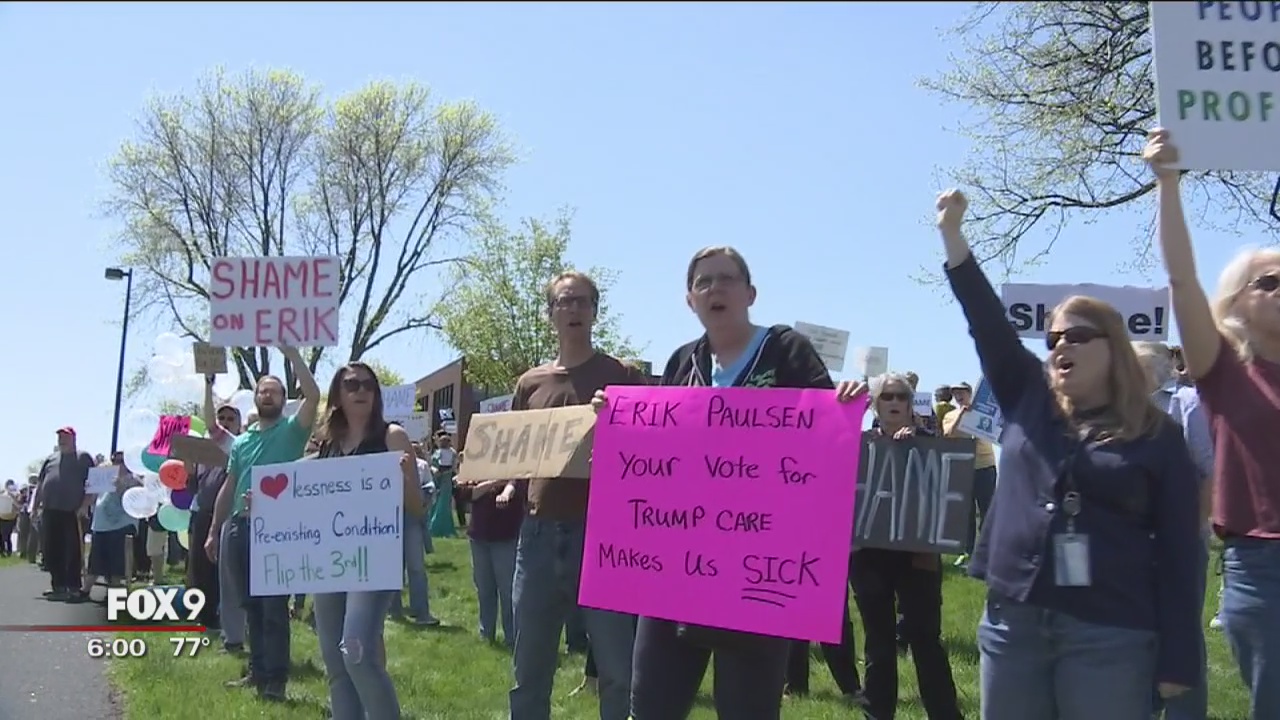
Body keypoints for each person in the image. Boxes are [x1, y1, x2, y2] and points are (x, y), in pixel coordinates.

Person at [937, 187, 1202, 718]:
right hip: (1014, 622)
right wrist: (952, 235)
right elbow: (986, 321)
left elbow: (1181, 550)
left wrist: (1179, 655)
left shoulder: (1158, 435)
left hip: (1110, 629)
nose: (1060, 345)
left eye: (1077, 336)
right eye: (1053, 338)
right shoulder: (1027, 394)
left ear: (1114, 348)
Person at [598, 247, 843, 720]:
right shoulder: (681, 362)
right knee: (650, 707)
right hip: (675, 564)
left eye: (727, 279)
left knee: (747, 709)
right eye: (703, 282)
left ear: (750, 293)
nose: (715, 289)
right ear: (690, 300)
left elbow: (825, 438)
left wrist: (843, 404)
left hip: (758, 567)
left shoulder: (786, 351)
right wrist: (616, 424)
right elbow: (656, 452)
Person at [1144, 129, 1280, 720]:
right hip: (1264, 568)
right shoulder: (1222, 368)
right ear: (1237, 300)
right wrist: (1168, 183)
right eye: (1270, 281)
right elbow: (1181, 280)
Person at [493, 270, 647, 720]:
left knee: (617, 670)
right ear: (551, 314)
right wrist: (496, 477)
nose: (573, 309)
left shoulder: (622, 376)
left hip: (604, 536)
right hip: (538, 535)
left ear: (595, 312)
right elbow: (518, 456)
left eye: (582, 301)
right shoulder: (530, 383)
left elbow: (651, 450)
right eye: (564, 301)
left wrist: (617, 420)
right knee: (529, 667)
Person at [206, 346, 320, 702]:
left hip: (277, 530)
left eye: (274, 390)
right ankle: (257, 671)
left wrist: (291, 354)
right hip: (240, 528)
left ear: (284, 399)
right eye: (262, 390)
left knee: (273, 607)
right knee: (251, 605)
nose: (267, 394)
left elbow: (314, 396)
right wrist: (214, 530)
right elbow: (229, 486)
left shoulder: (293, 431)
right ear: (255, 398)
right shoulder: (242, 442)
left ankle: (276, 679)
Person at [311, 361, 423, 720]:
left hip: (373, 561)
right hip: (330, 560)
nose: (361, 391)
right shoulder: (328, 446)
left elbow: (417, 506)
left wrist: (403, 478)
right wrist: (266, 503)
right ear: (337, 396)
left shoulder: (392, 437)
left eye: (368, 385)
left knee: (357, 654)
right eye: (352, 385)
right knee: (335, 664)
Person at [852, 372, 962, 720]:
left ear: (911, 404)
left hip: (918, 558)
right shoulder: (859, 445)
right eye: (887, 396)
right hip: (869, 556)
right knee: (879, 643)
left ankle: (945, 714)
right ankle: (877, 713)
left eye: (902, 396)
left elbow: (944, 486)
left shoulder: (929, 443)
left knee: (925, 639)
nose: (895, 402)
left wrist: (914, 443)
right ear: (875, 404)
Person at [1134, 341, 1214, 720]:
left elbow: (1212, 473)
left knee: (1181, 633)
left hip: (1181, 542)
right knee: (1137, 631)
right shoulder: (1119, 411)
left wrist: (1190, 533)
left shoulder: (1188, 404)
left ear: (1157, 368)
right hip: (1131, 543)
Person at [463, 463, 524, 648]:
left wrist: (505, 493)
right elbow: (469, 493)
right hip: (478, 535)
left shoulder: (516, 464)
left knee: (507, 590)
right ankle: (486, 633)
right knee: (484, 588)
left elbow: (514, 484)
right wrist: (496, 482)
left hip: (505, 536)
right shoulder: (477, 465)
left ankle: (512, 636)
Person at [31, 427, 95, 601]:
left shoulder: (83, 458)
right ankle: (58, 585)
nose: (61, 440)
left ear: (73, 438)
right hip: (50, 509)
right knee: (52, 549)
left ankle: (73, 586)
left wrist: (85, 505)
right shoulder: (51, 459)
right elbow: (40, 484)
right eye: (59, 437)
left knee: (72, 550)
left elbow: (93, 484)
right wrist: (35, 507)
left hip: (73, 511)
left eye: (65, 437)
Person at [942, 382, 998, 570]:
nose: (959, 396)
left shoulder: (983, 411)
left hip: (985, 465)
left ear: (970, 393)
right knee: (966, 513)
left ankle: (988, 552)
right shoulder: (950, 415)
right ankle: (968, 552)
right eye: (955, 393)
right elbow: (949, 434)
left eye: (962, 392)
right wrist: (962, 415)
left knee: (987, 511)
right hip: (963, 467)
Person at [72, 453, 139, 603]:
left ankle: (113, 593)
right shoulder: (105, 476)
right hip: (100, 525)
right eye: (115, 461)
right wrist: (84, 505)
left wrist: (121, 488)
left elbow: (134, 502)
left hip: (121, 525)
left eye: (121, 461)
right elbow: (93, 496)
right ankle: (85, 590)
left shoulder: (134, 481)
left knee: (117, 562)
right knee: (95, 561)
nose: (117, 464)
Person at [428, 432, 458, 537]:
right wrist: (435, 470)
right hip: (436, 478)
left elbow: (454, 466)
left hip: (446, 478)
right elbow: (432, 464)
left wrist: (447, 472)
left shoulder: (452, 453)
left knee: (444, 502)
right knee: (435, 501)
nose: (443, 443)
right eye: (442, 441)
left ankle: (441, 526)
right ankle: (432, 525)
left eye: (446, 441)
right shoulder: (437, 452)